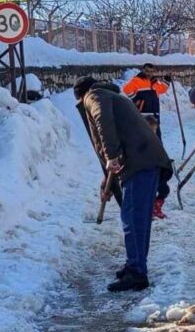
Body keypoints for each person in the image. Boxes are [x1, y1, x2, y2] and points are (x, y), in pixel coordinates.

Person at [74, 76, 173, 292]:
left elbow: (102, 121)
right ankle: (135, 265)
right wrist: (106, 183)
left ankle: (137, 273)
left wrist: (111, 155)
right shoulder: (112, 96)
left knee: (133, 218)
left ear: (81, 96)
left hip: (140, 162)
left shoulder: (95, 95)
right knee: (138, 218)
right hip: (146, 160)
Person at [122, 63, 173, 217]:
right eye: (147, 70)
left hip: (155, 118)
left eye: (152, 71)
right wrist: (138, 100)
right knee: (146, 144)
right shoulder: (137, 81)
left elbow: (162, 89)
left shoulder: (154, 83)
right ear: (143, 70)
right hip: (144, 118)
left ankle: (159, 159)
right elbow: (126, 90)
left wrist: (167, 80)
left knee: (158, 142)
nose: (150, 73)